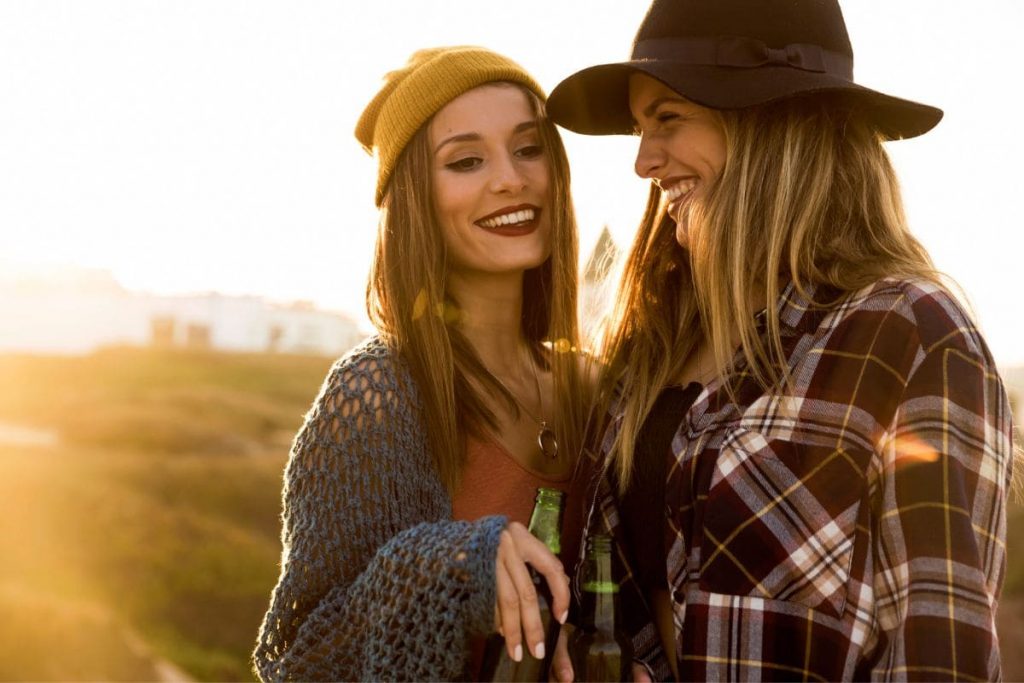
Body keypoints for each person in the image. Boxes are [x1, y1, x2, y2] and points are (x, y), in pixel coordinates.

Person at [545, 1, 1015, 681]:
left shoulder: (911, 335)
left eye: (668, 119)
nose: (644, 161)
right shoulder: (649, 349)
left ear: (767, 122)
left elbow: (942, 653)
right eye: (641, 129)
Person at [252, 46, 591, 681]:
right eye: (466, 161)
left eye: (529, 148)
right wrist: (453, 563)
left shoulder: (595, 387)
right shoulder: (377, 394)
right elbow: (303, 658)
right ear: (414, 202)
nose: (511, 179)